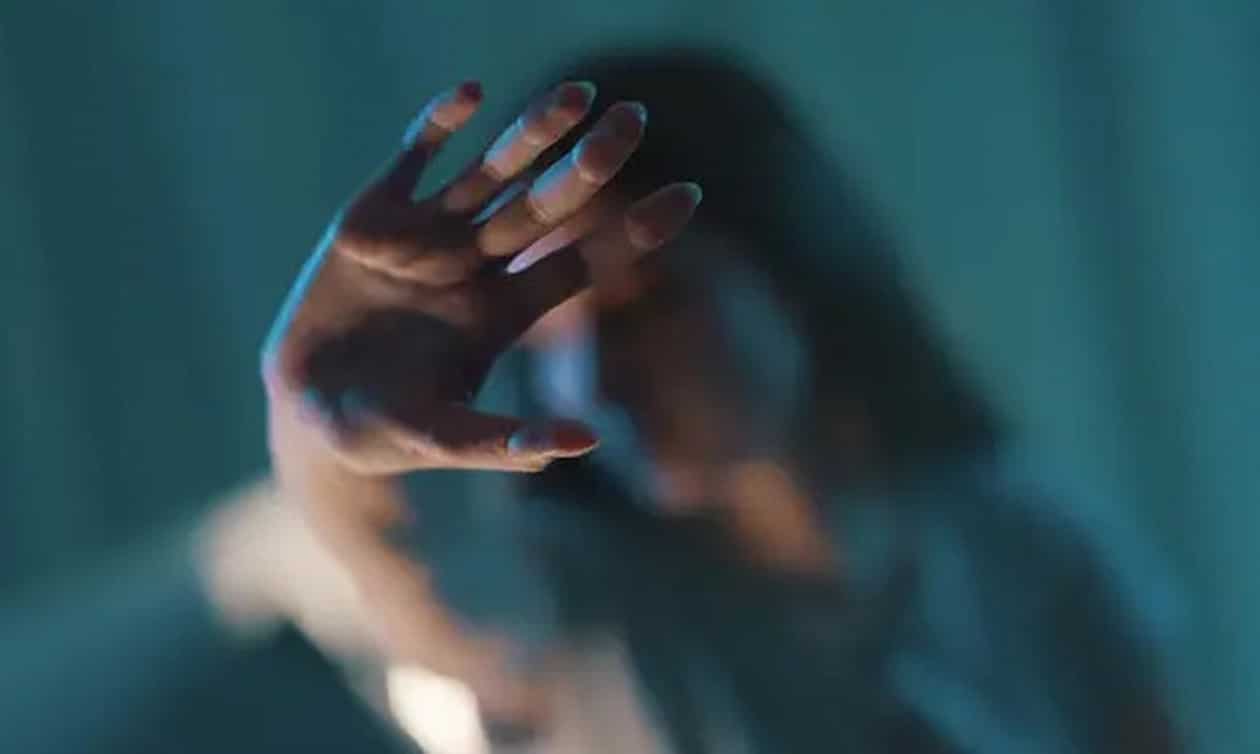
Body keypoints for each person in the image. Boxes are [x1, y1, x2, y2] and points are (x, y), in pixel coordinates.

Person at [263, 45, 1186, 753]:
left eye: (645, 307)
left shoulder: (1026, 549)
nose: (597, 381)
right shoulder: (567, 601)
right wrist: (319, 413)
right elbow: (396, 562)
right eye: (551, 341)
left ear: (795, 268)